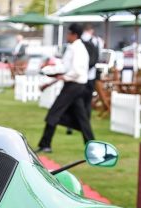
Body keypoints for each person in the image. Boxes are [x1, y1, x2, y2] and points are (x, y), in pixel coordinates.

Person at [36, 23, 94, 153]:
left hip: (73, 85)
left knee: (54, 113)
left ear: (74, 34)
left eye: (68, 33)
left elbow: (75, 70)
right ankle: (92, 145)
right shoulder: (76, 47)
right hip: (76, 85)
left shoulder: (76, 48)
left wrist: (58, 74)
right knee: (81, 117)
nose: (67, 35)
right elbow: (67, 68)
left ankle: (45, 144)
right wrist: (53, 72)